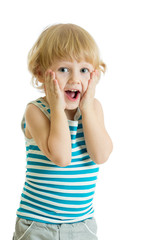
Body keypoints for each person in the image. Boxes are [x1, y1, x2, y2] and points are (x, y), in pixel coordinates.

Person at [13, 23, 113, 240]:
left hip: (82, 226)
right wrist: (57, 108)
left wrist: (86, 110)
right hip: (37, 225)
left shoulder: (93, 109)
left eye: (84, 70)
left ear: (94, 75)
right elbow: (61, 157)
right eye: (64, 69)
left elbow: (101, 155)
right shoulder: (36, 111)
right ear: (41, 73)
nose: (75, 79)